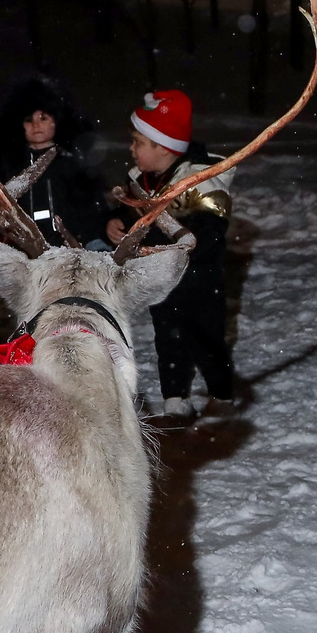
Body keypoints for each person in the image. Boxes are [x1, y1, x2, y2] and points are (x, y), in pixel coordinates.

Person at [103, 89, 240, 422]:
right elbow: (125, 212)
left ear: (162, 147)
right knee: (168, 336)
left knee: (206, 338)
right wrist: (114, 223)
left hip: (200, 280)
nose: (131, 149)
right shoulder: (139, 181)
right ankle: (174, 396)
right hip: (160, 279)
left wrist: (163, 243)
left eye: (138, 142)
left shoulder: (202, 182)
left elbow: (208, 234)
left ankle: (221, 393)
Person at [0, 70, 105, 251]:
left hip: (68, 249)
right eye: (28, 119)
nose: (36, 124)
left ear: (56, 121)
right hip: (26, 252)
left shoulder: (70, 163)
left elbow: (87, 209)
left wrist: (94, 243)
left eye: (43, 118)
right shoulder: (12, 166)